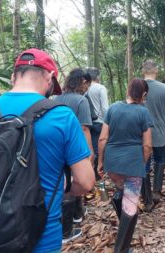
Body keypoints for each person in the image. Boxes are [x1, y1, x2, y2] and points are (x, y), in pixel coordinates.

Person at [0, 48, 95, 253]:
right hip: (39, 238)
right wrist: (62, 187)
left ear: (13, 77)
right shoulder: (62, 117)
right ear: (50, 78)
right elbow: (85, 182)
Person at [97, 78, 152, 252]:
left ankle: (124, 241)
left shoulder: (113, 108)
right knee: (130, 207)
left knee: (123, 193)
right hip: (132, 162)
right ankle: (121, 249)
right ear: (143, 94)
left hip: (112, 162)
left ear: (128, 90)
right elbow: (147, 145)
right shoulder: (143, 112)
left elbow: (103, 138)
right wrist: (140, 162)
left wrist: (100, 161)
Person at [54, 68, 94, 241]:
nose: (87, 89)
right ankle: (66, 230)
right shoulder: (81, 101)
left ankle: (77, 214)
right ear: (83, 82)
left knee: (65, 179)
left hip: (56, 145)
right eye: (87, 85)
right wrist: (90, 150)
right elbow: (84, 128)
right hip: (75, 147)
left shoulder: (56, 99)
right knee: (76, 181)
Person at [142, 60, 165, 209]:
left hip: (141, 134)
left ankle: (147, 198)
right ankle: (156, 191)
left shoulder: (136, 86)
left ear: (143, 71)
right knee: (160, 160)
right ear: (156, 71)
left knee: (144, 164)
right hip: (160, 132)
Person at [85, 67, 109, 180]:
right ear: (98, 76)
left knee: (91, 150)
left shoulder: (85, 88)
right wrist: (108, 123)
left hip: (87, 123)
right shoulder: (100, 88)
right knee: (99, 150)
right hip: (100, 123)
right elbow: (105, 108)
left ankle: (90, 176)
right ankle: (97, 177)